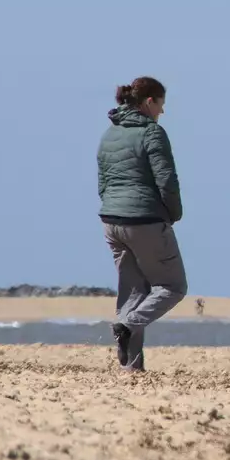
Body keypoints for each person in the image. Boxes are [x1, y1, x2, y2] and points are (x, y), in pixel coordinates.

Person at [97, 76, 186, 371]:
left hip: (110, 219)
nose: (162, 111)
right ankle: (127, 324)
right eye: (161, 104)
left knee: (133, 291)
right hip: (144, 219)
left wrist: (112, 206)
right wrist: (172, 214)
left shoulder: (110, 134)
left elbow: (103, 181)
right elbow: (167, 180)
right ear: (150, 102)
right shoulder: (152, 133)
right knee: (172, 287)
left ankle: (131, 369)